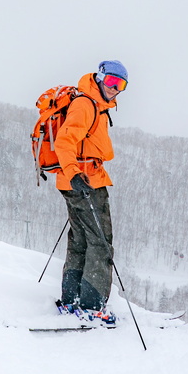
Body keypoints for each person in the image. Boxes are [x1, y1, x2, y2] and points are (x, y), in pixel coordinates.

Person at [53, 59, 128, 327]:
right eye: (111, 82)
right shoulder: (86, 105)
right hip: (85, 180)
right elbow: (64, 140)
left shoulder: (93, 104)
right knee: (100, 243)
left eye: (121, 85)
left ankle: (70, 300)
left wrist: (71, 176)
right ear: (99, 78)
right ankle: (91, 307)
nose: (115, 89)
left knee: (81, 240)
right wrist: (74, 174)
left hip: (76, 179)